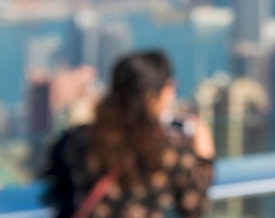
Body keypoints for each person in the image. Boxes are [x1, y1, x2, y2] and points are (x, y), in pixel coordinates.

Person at [42, 49, 215, 218]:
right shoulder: (167, 150)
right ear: (153, 96)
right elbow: (194, 206)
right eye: (170, 86)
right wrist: (205, 157)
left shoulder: (75, 140)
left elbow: (55, 190)